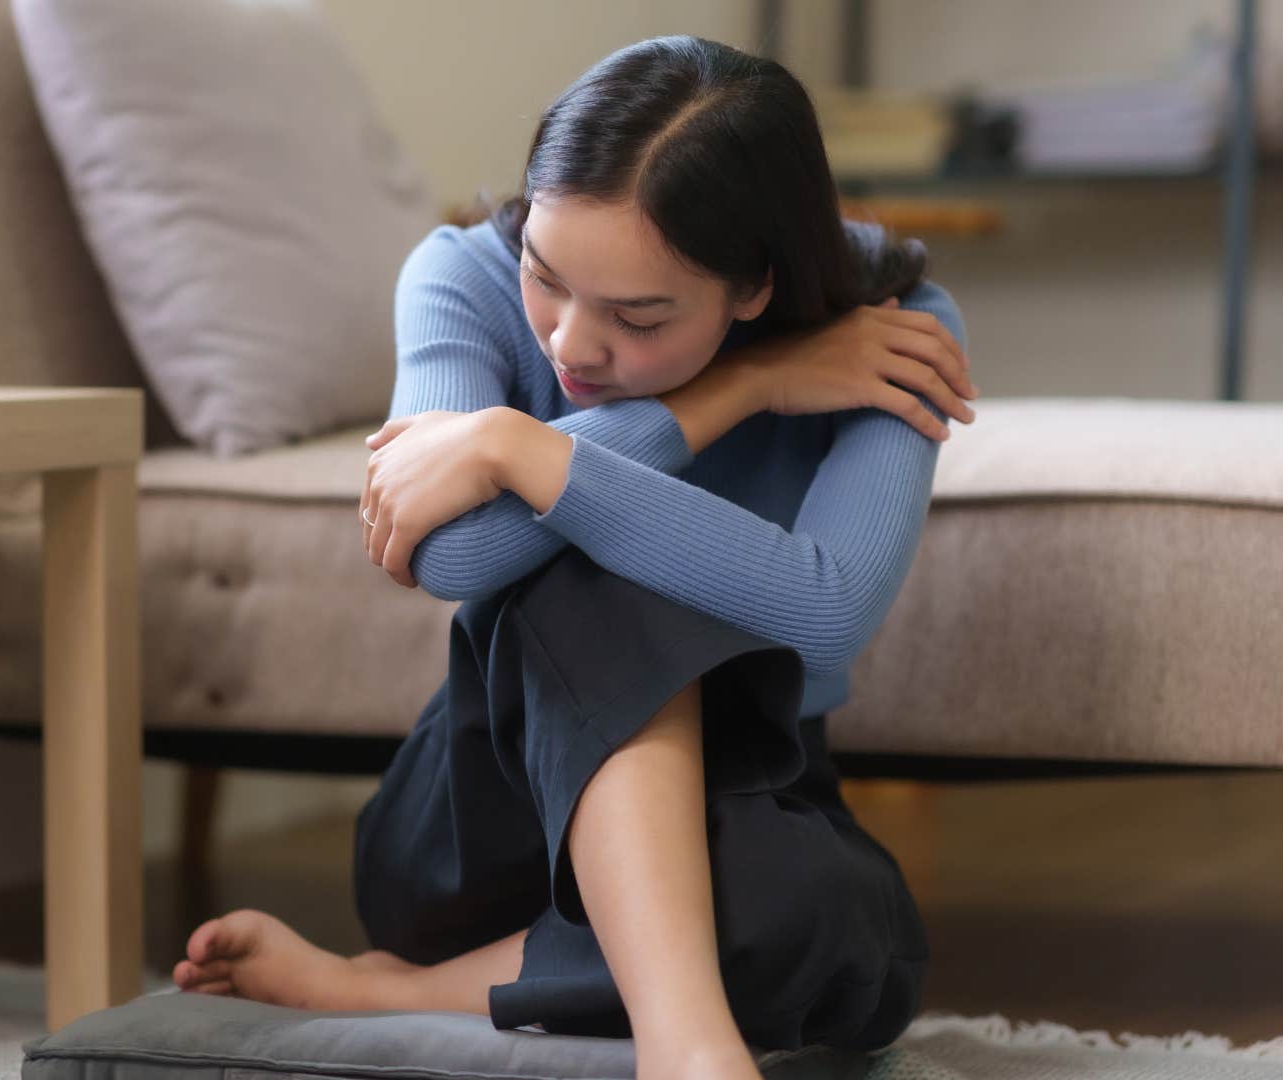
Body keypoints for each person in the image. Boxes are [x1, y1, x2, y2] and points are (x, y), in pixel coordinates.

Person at [172, 34, 980, 1080]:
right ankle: (690, 1050)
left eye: (638, 317)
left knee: (838, 935)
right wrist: (727, 394)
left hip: (748, 785)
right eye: (546, 279)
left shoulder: (892, 326)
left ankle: (387, 988)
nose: (569, 348)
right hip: (483, 814)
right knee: (605, 570)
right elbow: (453, 555)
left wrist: (522, 450)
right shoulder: (457, 275)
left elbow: (827, 612)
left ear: (755, 289)